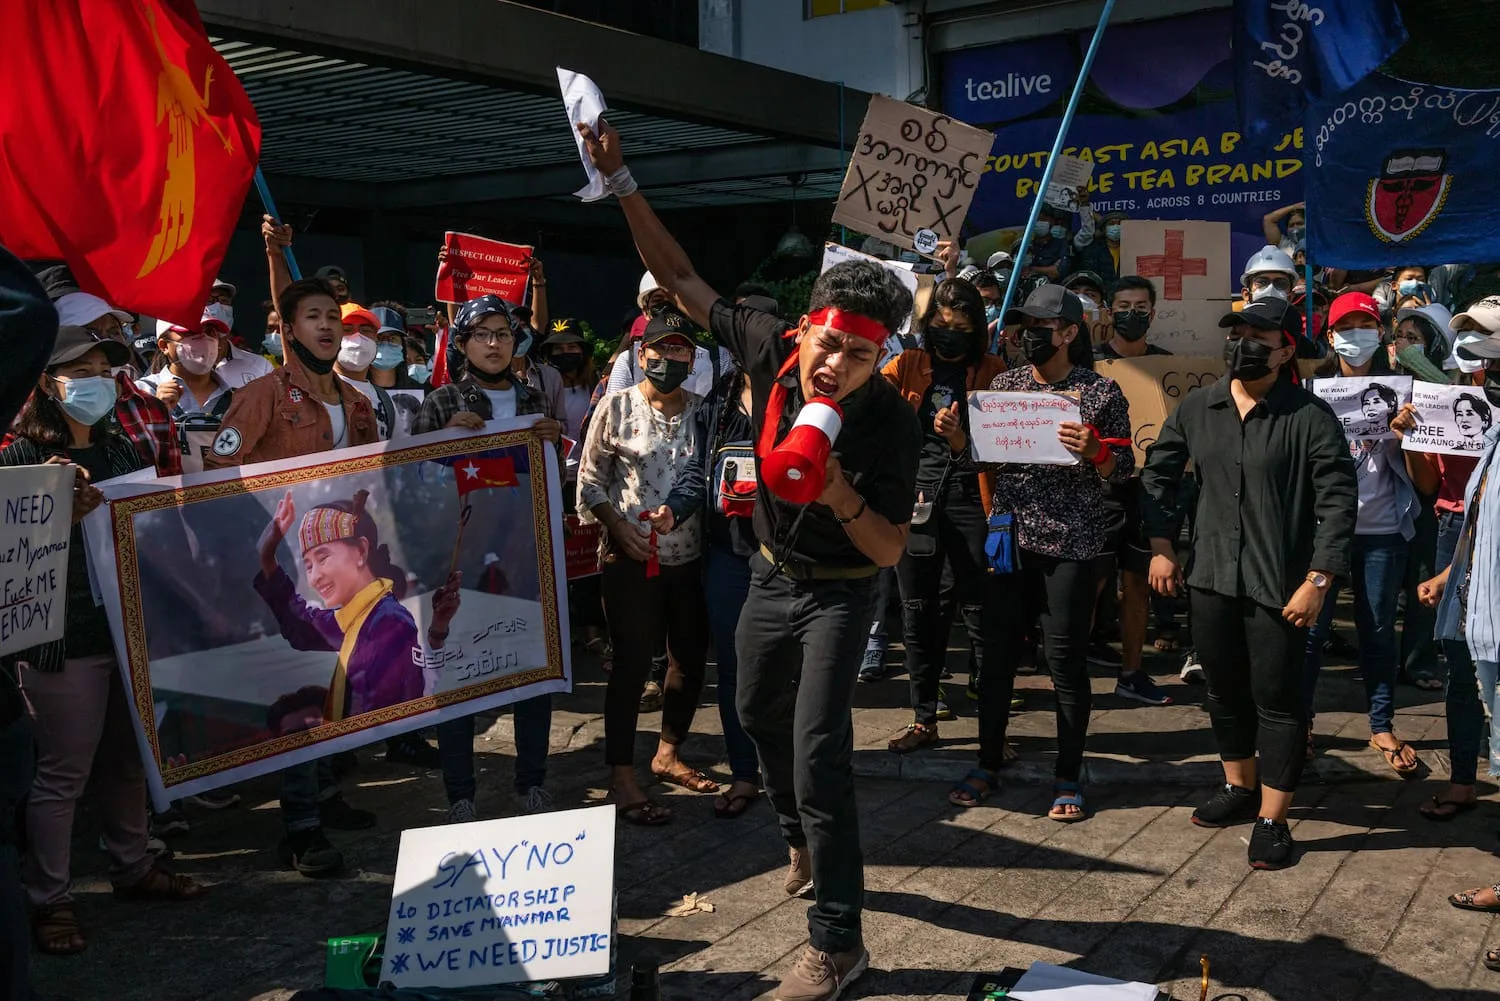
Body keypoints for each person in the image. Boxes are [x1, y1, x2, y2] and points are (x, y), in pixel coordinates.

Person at [581, 117, 921, 1000]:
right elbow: (682, 275)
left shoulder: (888, 422)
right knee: (760, 715)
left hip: (842, 592)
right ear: (804, 328)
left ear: (879, 356)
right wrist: (621, 181)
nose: (836, 364)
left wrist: (839, 488)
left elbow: (887, 547)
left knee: (821, 750)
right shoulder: (769, 344)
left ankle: (837, 942)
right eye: (830, 342)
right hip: (770, 570)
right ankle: (799, 834)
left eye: (860, 352)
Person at [2, 327, 206, 957]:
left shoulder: (120, 451)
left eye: (103, 366)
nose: (95, 378)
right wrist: (51, 509)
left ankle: (132, 863)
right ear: (45, 381)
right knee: (63, 773)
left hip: (127, 628)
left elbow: (149, 531)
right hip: (60, 642)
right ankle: (50, 900)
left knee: (128, 758)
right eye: (79, 368)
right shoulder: (16, 461)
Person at [1142, 298, 1357, 870]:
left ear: (1287, 349)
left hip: (1278, 586)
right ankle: (1238, 786)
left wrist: (1318, 580)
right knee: (1221, 690)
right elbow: (1158, 477)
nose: (1243, 344)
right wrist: (1162, 548)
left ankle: (1273, 817)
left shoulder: (1309, 418)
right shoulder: (1197, 407)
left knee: (1279, 702)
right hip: (1210, 576)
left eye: (1259, 335)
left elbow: (1338, 504)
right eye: (1237, 333)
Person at [205, 277, 381, 875]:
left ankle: (327, 793)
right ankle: (300, 828)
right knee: (303, 690)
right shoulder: (261, 394)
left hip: (342, 571)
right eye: (313, 316)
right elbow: (219, 473)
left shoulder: (358, 402)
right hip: (287, 566)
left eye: (334, 315)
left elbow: (378, 477)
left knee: (341, 682)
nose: (329, 326)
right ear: (288, 329)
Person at [958, 284, 1134, 820]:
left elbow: (1123, 471)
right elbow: (980, 462)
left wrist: (1097, 452)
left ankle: (1067, 775)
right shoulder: (1004, 386)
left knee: (1065, 661)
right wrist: (955, 443)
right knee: (996, 656)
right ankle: (988, 761)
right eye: (1023, 326)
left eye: (1039, 327)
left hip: (1072, 542)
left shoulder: (1100, 395)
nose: (1026, 336)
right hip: (1008, 538)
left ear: (1068, 333)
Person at [413, 295, 563, 823]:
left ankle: (532, 783)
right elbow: (416, 483)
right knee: (459, 676)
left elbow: (551, 487)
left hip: (526, 562)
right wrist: (443, 441)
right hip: (460, 563)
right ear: (462, 344)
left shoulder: (534, 400)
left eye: (503, 333)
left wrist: (552, 443)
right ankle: (460, 791)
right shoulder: (441, 401)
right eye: (483, 335)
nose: (495, 344)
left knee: (532, 673)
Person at [579, 307, 715, 825]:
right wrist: (617, 526)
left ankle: (668, 751)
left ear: (691, 359)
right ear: (642, 356)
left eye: (680, 350)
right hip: (631, 558)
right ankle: (621, 774)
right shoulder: (614, 407)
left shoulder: (704, 412)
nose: (668, 358)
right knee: (632, 666)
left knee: (688, 660)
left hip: (691, 558)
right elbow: (590, 481)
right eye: (660, 350)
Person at [1301, 292, 1433, 774]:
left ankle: (1381, 725)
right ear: (1331, 335)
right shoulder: (1310, 392)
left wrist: (1410, 438)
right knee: (1310, 633)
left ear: (1380, 335)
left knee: (1378, 631)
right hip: (1324, 533)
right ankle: (1302, 725)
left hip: (1382, 531)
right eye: (1347, 325)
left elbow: (1426, 484)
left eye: (1366, 325)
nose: (1357, 335)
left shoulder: (1412, 394)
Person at [878, 279, 1005, 753]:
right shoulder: (905, 365)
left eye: (960, 326)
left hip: (974, 500)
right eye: (940, 324)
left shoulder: (995, 372)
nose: (948, 332)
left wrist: (959, 441)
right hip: (916, 502)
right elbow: (870, 410)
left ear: (976, 329)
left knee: (979, 610)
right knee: (917, 611)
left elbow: (1004, 451)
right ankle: (923, 718)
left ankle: (992, 729)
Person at [656, 356, 764, 819]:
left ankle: (795, 772)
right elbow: (695, 473)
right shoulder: (715, 407)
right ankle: (744, 774)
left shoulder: (803, 399)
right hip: (727, 558)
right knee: (734, 668)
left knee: (790, 669)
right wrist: (674, 510)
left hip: (789, 558)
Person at [254, 489, 460, 718]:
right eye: (309, 566)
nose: (314, 578)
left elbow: (388, 712)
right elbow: (301, 629)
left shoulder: (387, 621)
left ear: (361, 550)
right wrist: (268, 559)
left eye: (323, 558)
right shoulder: (355, 618)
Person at [1416, 300, 1500, 820]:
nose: (1484, 365)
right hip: (1476, 590)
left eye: (1489, 344)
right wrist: (1451, 573)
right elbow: (1481, 518)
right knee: (1466, 678)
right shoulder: (1494, 437)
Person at [606, 272, 732, 398]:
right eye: (658, 300)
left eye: (675, 299)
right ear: (645, 311)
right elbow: (614, 409)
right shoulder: (628, 361)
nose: (668, 307)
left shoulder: (719, 359)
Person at [137, 318, 235, 474]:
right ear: (164, 346)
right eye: (191, 332)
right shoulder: (142, 392)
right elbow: (132, 458)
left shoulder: (238, 398)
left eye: (209, 332)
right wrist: (156, 414)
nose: (203, 340)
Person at [1071, 201, 1125, 283]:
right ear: (1104, 229)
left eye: (1120, 223)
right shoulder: (1093, 250)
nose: (1116, 227)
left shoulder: (1133, 248)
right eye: (1111, 224)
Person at [1022, 205, 1072, 280]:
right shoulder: (1026, 246)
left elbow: (1058, 272)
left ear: (1052, 221)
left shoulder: (1061, 245)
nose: (1039, 223)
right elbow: (1022, 272)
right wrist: (1048, 269)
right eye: (1036, 220)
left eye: (1043, 219)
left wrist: (1032, 269)